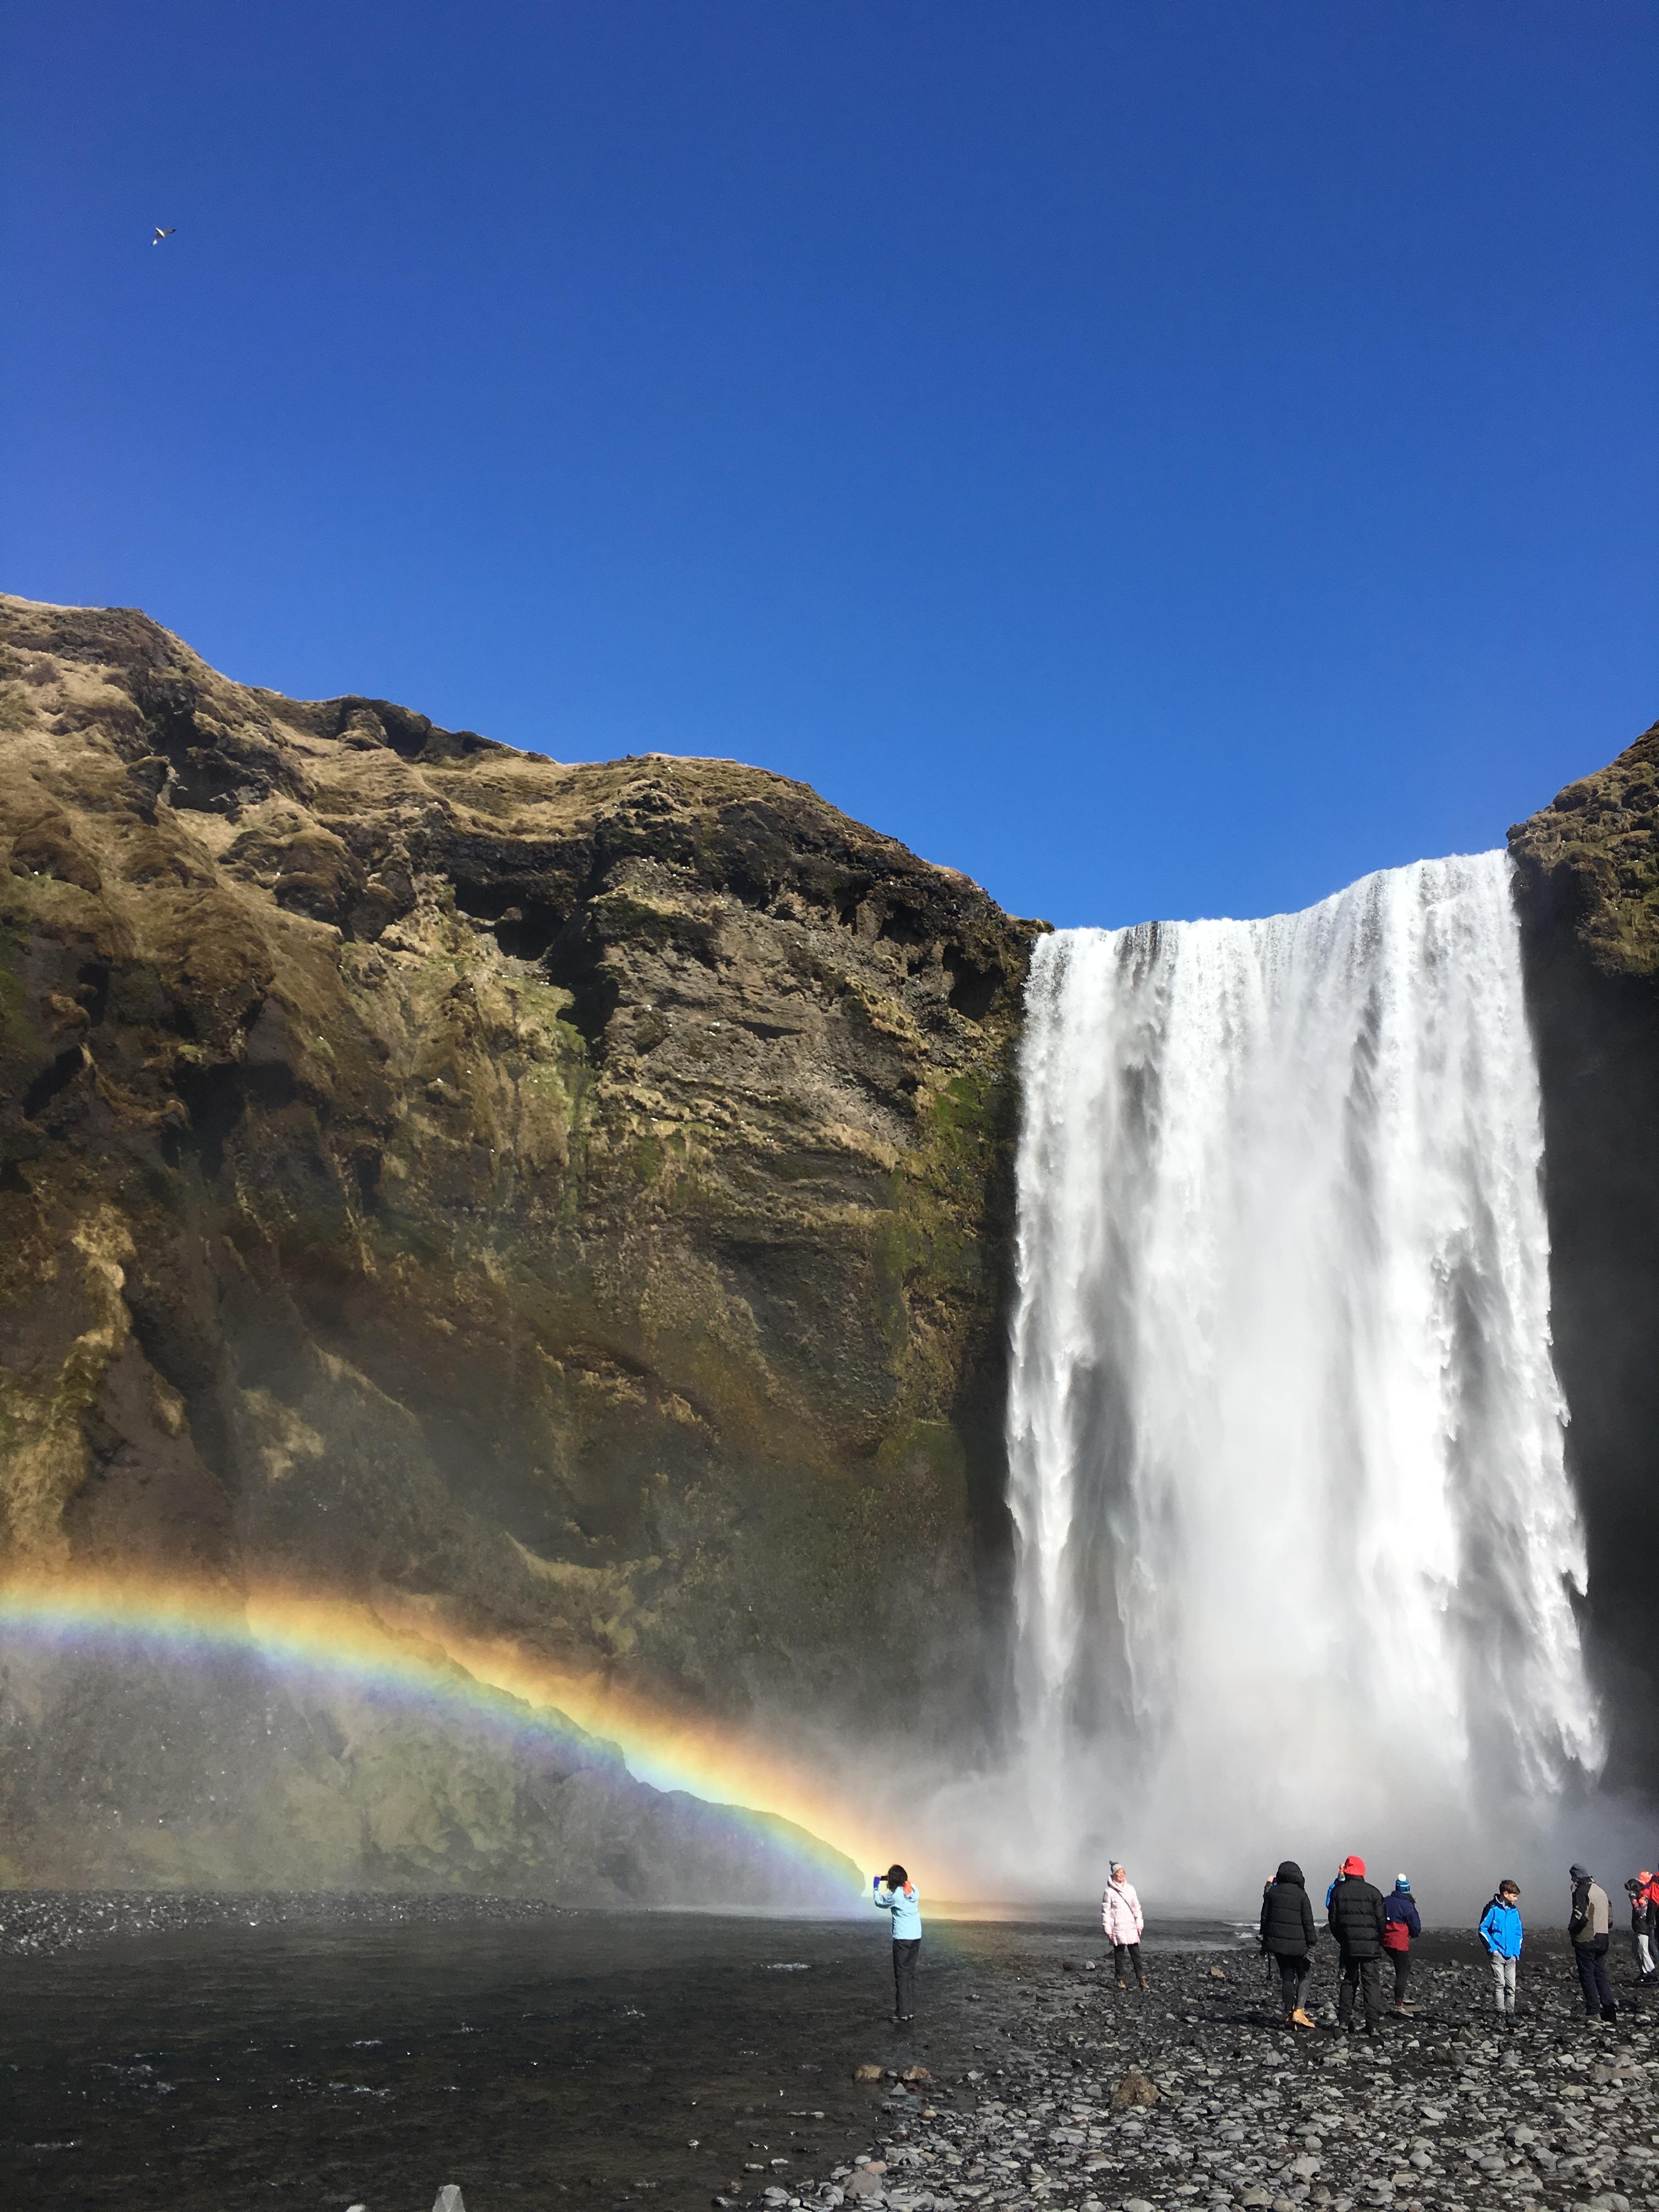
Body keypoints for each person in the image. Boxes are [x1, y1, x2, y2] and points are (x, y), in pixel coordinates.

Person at [1327, 1854, 1387, 2035]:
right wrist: (1377, 1940)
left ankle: (1344, 2021)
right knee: (1371, 1984)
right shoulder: (1374, 1893)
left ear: (1346, 1871)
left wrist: (1343, 1940)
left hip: (1349, 1947)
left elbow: (1334, 1922)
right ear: (1363, 1871)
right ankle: (1373, 2025)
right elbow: (1382, 1922)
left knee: (1348, 1982)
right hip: (1370, 1947)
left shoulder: (1338, 1893)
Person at [1260, 1860, 1317, 2029]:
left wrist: (1265, 1942)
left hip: (1278, 1945)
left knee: (1287, 1978)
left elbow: (1265, 1918)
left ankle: (1287, 2014)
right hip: (1299, 1946)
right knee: (1304, 1976)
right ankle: (1299, 2011)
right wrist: (1312, 1943)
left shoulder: (1272, 1894)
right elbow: (1308, 1922)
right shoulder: (1301, 1895)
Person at [872, 1864, 922, 2023]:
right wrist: (889, 1877)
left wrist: (875, 1886)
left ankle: (902, 2013)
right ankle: (910, 2010)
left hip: (903, 1938)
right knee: (910, 1974)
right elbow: (903, 1882)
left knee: (901, 1975)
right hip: (916, 1936)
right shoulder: (913, 1889)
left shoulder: (896, 1896)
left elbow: (879, 1902)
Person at [1569, 1864, 1617, 2027]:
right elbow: (1610, 1917)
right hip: (1603, 1938)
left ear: (1577, 1877)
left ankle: (1594, 2012)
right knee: (1601, 1975)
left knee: (1587, 1976)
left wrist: (1572, 1931)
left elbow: (1580, 1916)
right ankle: (1610, 2012)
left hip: (1587, 1939)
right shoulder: (1600, 1890)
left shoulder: (1582, 1891)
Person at [1478, 1879, 1523, 2027]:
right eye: (1514, 1895)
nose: (1516, 1898)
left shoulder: (1514, 1911)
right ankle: (1500, 2016)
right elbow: (1483, 1928)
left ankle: (1510, 2016)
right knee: (1500, 1985)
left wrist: (1516, 1952)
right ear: (1506, 1893)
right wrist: (1493, 1949)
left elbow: (1519, 1932)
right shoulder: (1492, 1908)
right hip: (1498, 1954)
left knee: (1511, 1987)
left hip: (1511, 1955)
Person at [1102, 1860, 1148, 1991]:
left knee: (1136, 1954)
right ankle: (1120, 1979)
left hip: (1131, 1927)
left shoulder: (1131, 1889)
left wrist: (1140, 1925)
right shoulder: (1109, 1892)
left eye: (1122, 1873)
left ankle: (1142, 1979)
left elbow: (1136, 1908)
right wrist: (1108, 1930)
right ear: (1114, 1875)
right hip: (1118, 1927)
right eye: (1118, 1873)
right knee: (1119, 1955)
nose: (1121, 1875)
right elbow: (1106, 1912)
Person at [1382, 1875, 1422, 2014]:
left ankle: (1401, 1998)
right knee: (1403, 1970)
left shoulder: (1386, 1901)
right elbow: (1416, 1927)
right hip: (1399, 1943)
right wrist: (1413, 1934)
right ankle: (1399, 2004)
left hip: (1385, 1941)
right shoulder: (1408, 1906)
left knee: (1404, 1967)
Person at [1626, 1874, 1655, 1983]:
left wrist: (1633, 1899)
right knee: (1635, 1950)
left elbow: (1639, 1910)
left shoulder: (1645, 1895)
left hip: (1643, 1927)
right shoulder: (1644, 1893)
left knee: (1644, 1950)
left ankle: (1651, 1973)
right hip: (1639, 1927)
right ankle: (1644, 1972)